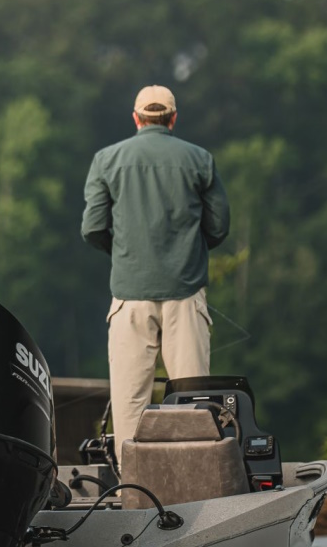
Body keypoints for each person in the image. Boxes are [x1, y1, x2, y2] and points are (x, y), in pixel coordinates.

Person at [80, 84, 231, 444]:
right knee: (194, 402)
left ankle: (132, 477)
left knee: (130, 403)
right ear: (173, 119)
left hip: (129, 296)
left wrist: (126, 255)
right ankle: (193, 474)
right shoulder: (200, 159)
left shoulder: (106, 160)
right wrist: (189, 254)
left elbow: (92, 228)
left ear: (136, 119)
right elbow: (219, 226)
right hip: (186, 294)